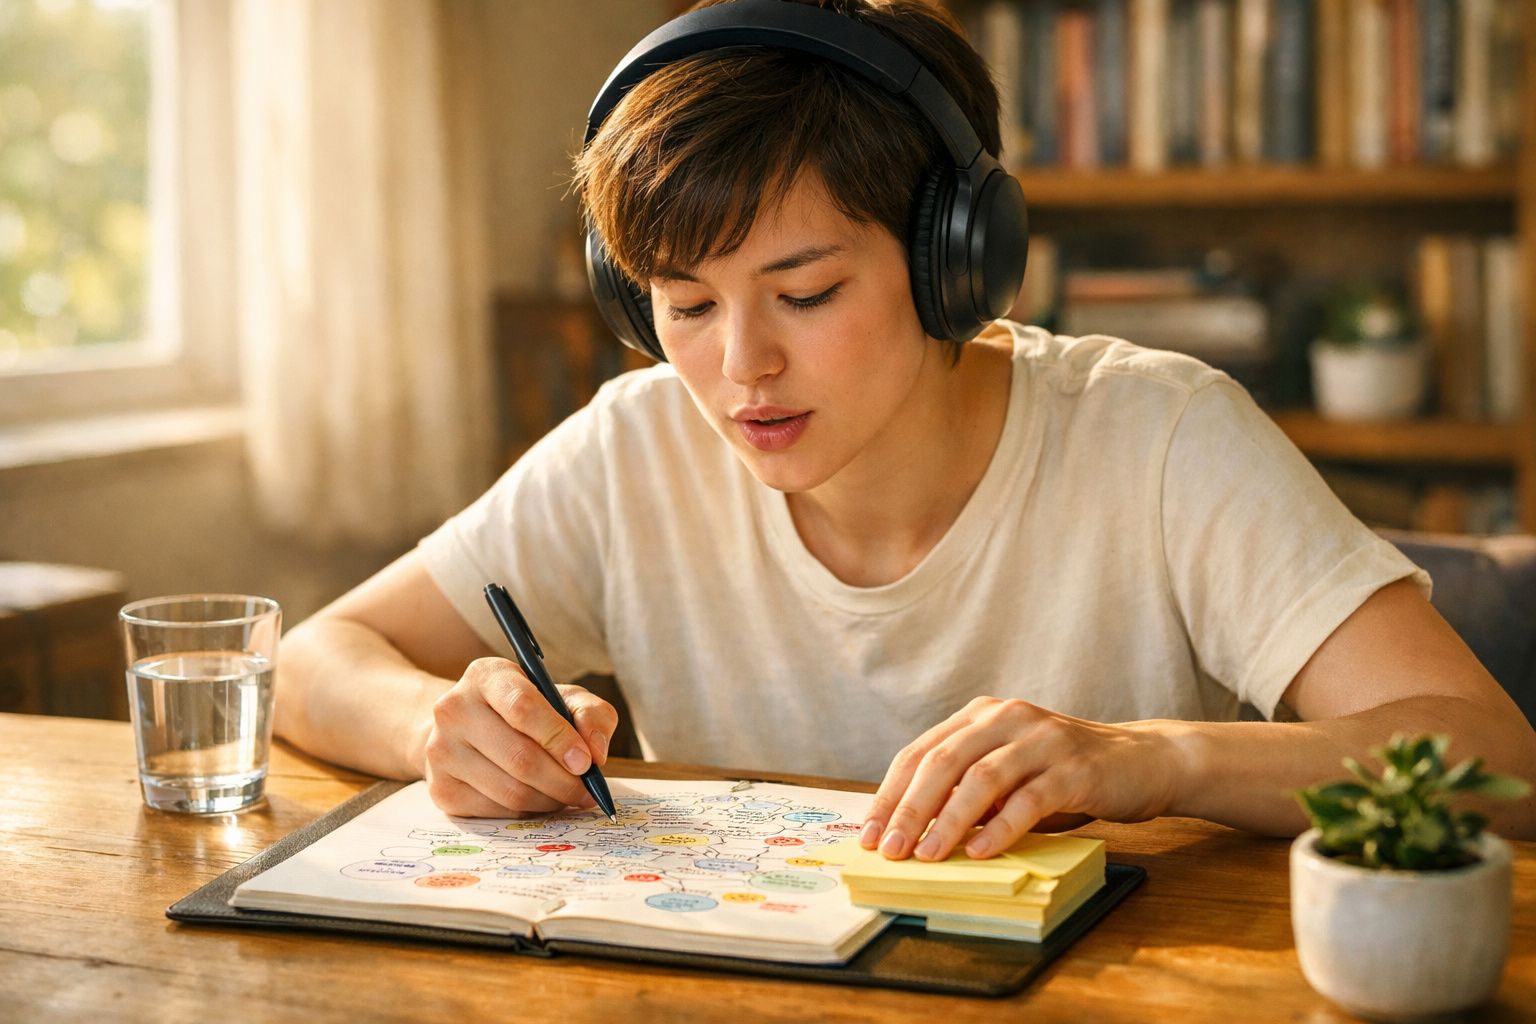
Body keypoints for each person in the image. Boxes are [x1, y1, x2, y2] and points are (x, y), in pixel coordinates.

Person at [274, 0, 1536, 860]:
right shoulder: (634, 449)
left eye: (808, 292)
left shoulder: (1161, 437)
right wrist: (437, 727)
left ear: (956, 265)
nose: (742, 367)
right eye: (687, 305)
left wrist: (1154, 758)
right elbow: (314, 657)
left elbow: (1497, 760)